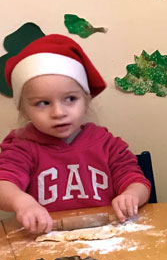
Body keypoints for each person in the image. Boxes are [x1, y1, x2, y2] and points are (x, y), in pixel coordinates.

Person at [0, 34, 150, 233]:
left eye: (70, 99)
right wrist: (22, 202)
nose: (58, 113)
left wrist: (131, 194)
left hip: (108, 237)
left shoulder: (107, 144)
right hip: (45, 241)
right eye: (43, 103)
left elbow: (137, 181)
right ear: (24, 110)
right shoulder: (21, 146)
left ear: (86, 100)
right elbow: (4, 184)